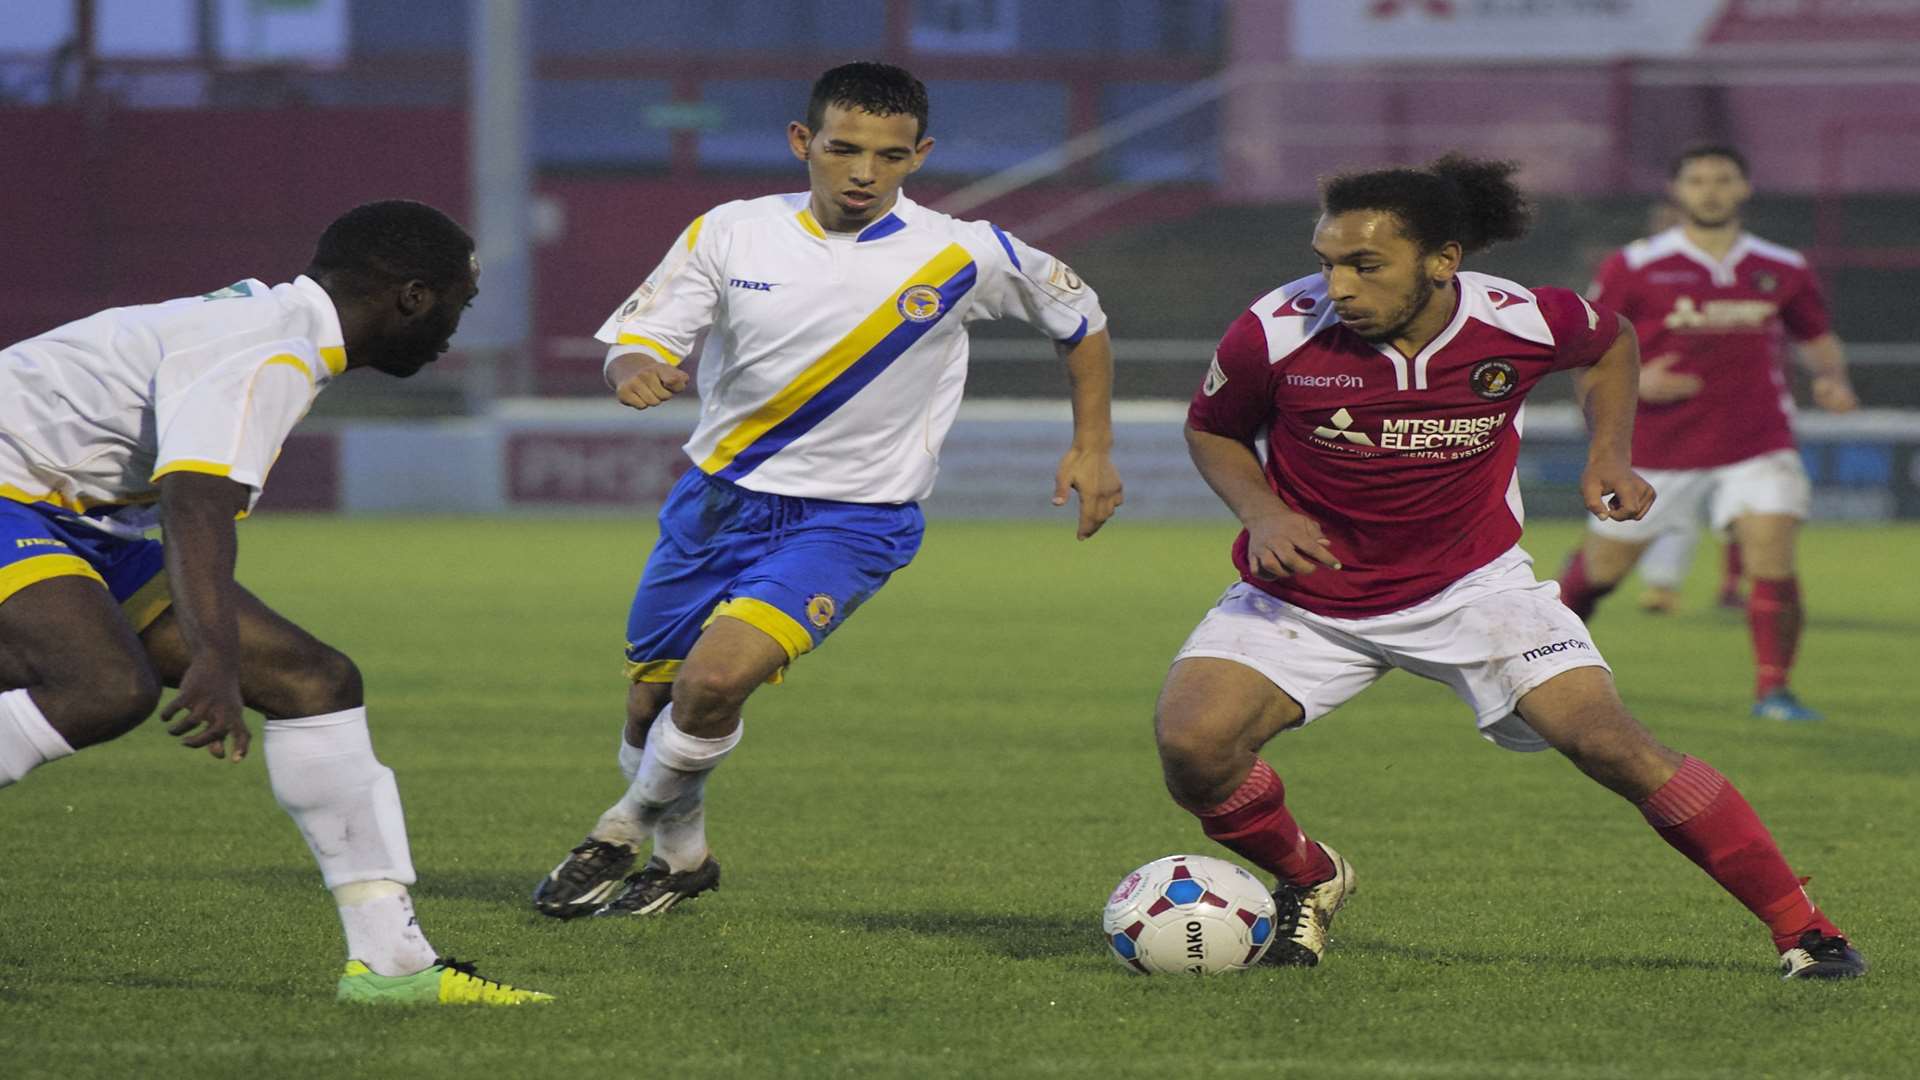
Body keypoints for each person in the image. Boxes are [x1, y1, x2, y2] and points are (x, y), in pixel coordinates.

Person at [1150, 154, 1865, 980]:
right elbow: (1213, 428)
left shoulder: (1521, 319)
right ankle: (1310, 876)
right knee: (1193, 748)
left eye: (1365, 265)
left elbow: (1610, 344)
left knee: (1611, 744)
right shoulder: (1277, 328)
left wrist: (1610, 454)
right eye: (1329, 262)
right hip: (1304, 595)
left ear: (1442, 262)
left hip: (1473, 589)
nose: (1338, 285)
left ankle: (1806, 932)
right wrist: (1264, 512)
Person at [531, 62, 1122, 919]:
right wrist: (634, 366)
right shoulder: (730, 232)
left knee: (711, 682)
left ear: (918, 155)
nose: (862, 173)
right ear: (802, 143)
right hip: (717, 500)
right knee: (652, 700)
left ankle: (618, 831)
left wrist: (1093, 447)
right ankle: (684, 860)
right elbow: (642, 334)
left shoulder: (967, 252)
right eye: (843, 149)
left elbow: (1083, 321)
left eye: (888, 156)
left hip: (853, 521)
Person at [0, 201, 550, 1006]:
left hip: (69, 512)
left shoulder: (281, 330)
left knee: (310, 682)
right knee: (102, 687)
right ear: (412, 297)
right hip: (22, 499)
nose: (451, 334)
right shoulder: (272, 349)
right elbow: (194, 504)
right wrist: (213, 659)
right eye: (456, 309)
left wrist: (222, 654)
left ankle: (391, 967)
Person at [1556, 145, 1858, 721]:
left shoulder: (1782, 265)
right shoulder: (1636, 265)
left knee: (1772, 549)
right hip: (1658, 452)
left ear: (1744, 188)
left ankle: (1774, 691)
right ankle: (1539, 666)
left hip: (1758, 441)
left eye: (1723, 179)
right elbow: (1587, 347)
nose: (1711, 190)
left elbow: (1816, 335)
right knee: (1602, 573)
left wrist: (1832, 380)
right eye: (1697, 180)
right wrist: (1638, 383)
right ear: (1678, 192)